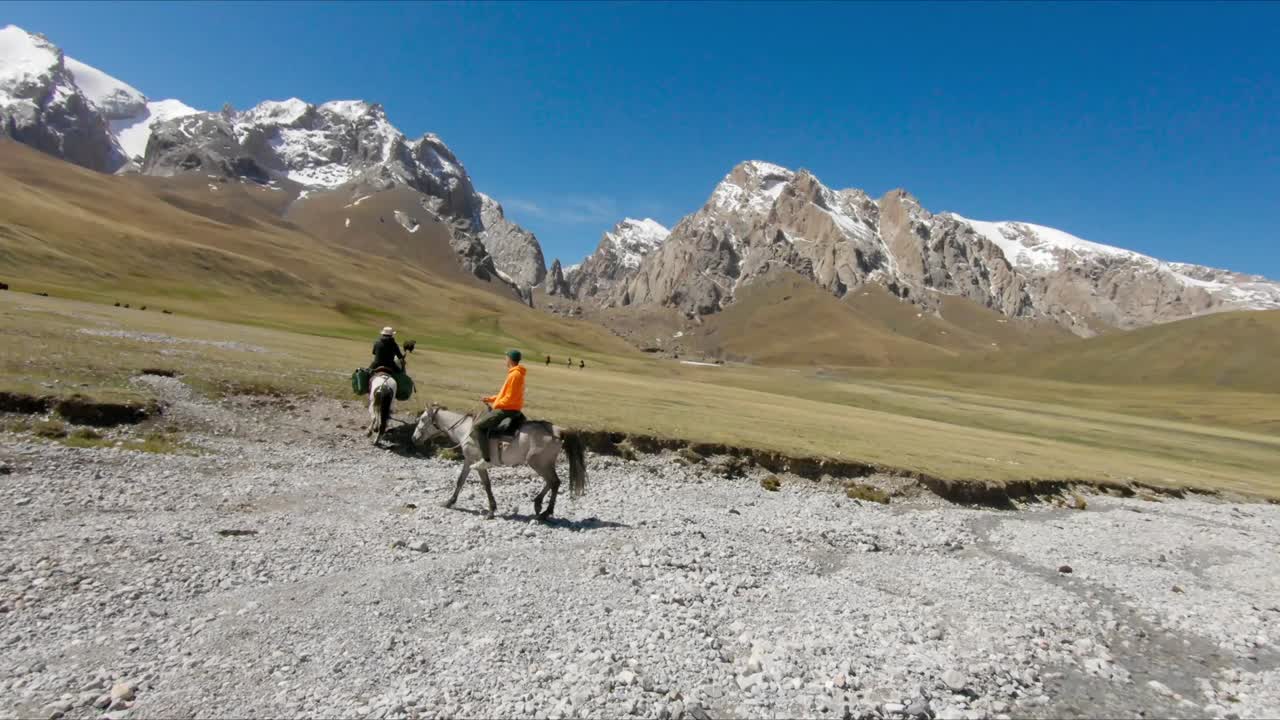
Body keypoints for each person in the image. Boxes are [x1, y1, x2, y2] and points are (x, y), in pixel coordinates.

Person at [471, 350, 526, 471]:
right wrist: (490, 399)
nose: (505, 360)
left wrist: (496, 405)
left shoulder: (514, 375)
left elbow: (509, 397)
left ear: (510, 359)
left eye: (506, 358)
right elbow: (504, 394)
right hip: (509, 407)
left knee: (478, 426)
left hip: (508, 409)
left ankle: (486, 460)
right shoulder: (516, 373)